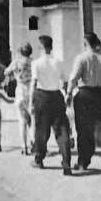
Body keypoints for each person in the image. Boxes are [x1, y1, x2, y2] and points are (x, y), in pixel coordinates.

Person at [66, 32, 101, 178]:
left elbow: (74, 78)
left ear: (85, 43)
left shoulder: (81, 58)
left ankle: (83, 162)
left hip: (85, 95)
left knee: (84, 130)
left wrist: (69, 93)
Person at [28, 35, 71, 174]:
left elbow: (33, 83)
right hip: (56, 95)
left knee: (41, 129)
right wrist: (66, 95)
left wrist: (30, 102)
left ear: (41, 47)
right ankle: (66, 162)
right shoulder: (58, 62)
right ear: (51, 47)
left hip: (42, 96)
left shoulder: (36, 63)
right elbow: (65, 81)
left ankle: (39, 158)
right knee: (61, 129)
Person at [5, 43, 34, 155]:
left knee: (22, 120)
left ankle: (24, 146)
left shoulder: (17, 62)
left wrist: (13, 73)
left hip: (21, 91)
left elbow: (6, 72)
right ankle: (33, 143)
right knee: (32, 120)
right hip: (31, 91)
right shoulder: (33, 62)